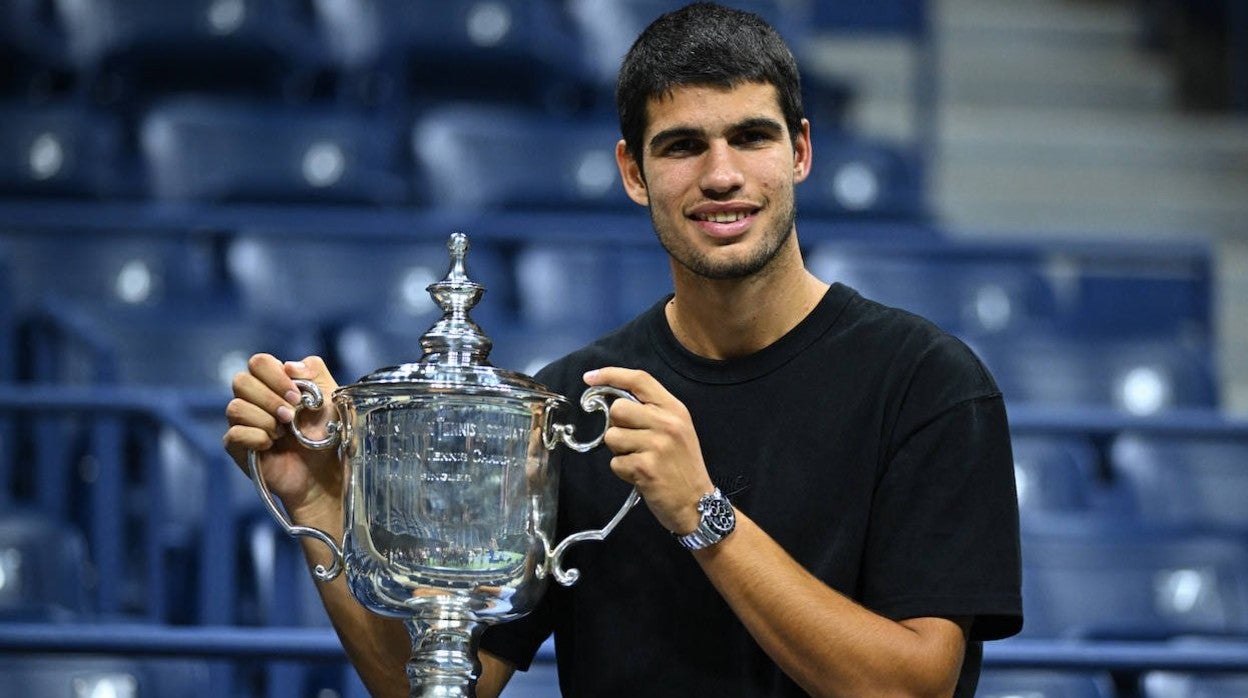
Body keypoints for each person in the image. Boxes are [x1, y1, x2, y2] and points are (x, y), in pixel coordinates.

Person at [224, 3, 1022, 696]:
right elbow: (433, 685)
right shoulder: (570, 404)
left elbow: (913, 687)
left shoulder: (929, 384)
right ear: (632, 172)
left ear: (801, 152)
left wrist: (704, 517)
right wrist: (322, 505)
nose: (721, 174)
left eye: (751, 137)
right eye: (681, 146)